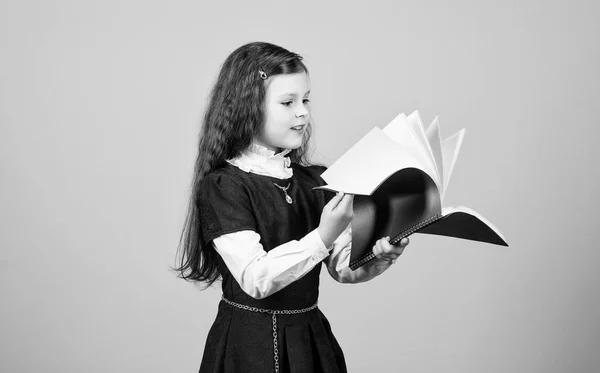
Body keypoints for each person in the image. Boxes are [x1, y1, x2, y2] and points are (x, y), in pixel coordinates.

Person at [175, 41, 410, 373]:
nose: (302, 111)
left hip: (309, 340)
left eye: (305, 99)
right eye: (287, 102)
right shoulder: (225, 186)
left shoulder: (315, 180)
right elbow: (256, 279)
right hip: (247, 345)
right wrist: (322, 236)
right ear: (248, 108)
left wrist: (379, 256)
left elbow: (343, 267)